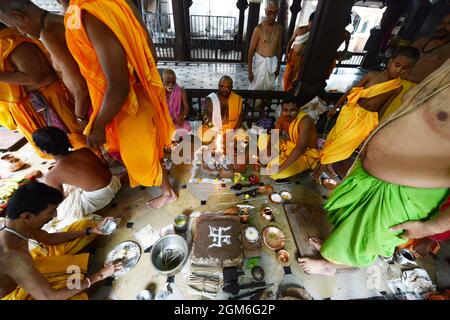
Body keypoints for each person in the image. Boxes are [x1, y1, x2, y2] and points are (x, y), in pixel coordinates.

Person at [297, 58, 450, 275]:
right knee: (349, 224)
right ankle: (332, 250)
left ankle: (329, 266)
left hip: (406, 195)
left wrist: (431, 228)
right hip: (373, 175)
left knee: (365, 240)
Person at [58, 0, 177, 209]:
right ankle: (166, 190)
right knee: (150, 152)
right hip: (138, 93)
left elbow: (119, 86)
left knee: (142, 159)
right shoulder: (118, 3)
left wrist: (99, 125)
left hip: (128, 104)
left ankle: (168, 193)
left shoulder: (86, 13)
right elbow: (149, 52)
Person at [0, 182, 122, 300]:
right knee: (74, 295)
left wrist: (89, 230)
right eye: (50, 212)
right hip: (15, 293)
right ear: (27, 216)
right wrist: (98, 276)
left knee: (83, 225)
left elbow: (49, 239)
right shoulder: (14, 257)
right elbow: (49, 297)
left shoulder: (15, 225)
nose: (54, 215)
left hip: (28, 268)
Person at [315, 47, 420, 182]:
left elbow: (383, 108)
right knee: (334, 139)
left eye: (405, 68)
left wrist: (375, 128)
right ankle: (326, 163)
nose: (399, 70)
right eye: (397, 65)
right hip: (351, 111)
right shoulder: (372, 76)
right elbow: (350, 92)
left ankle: (321, 169)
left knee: (345, 144)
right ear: (390, 62)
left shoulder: (397, 87)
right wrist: (335, 108)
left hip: (367, 120)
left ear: (411, 69)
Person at [0, 0, 92, 128]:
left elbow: (80, 87)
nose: (20, 33)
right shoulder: (63, 19)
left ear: (19, 16)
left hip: (92, 106)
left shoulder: (48, 34)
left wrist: (80, 118)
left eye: (15, 27)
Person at [0, 24, 86, 157]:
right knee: (49, 146)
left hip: (47, 97)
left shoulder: (12, 42)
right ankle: (69, 168)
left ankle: (94, 165)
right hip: (28, 105)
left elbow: (35, 77)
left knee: (75, 138)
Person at [32, 127, 121, 231]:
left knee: (59, 211)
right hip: (114, 182)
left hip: (102, 197)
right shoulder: (85, 151)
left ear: (44, 151)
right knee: (68, 184)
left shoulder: (52, 175)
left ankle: (91, 222)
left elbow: (58, 199)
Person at [260, 100, 318, 180]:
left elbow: (300, 148)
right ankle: (277, 158)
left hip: (305, 153)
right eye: (285, 110)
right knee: (263, 138)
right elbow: (274, 135)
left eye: (292, 110)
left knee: (274, 174)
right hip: (290, 145)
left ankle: (281, 161)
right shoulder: (282, 117)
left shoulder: (305, 121)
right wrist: (268, 152)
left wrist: (280, 168)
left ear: (298, 109)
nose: (288, 113)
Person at [248, 0, 283, 91]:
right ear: (265, 10)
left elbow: (279, 48)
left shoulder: (279, 28)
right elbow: (251, 50)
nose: (272, 15)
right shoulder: (258, 29)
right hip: (259, 64)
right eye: (269, 12)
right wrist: (249, 72)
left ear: (278, 11)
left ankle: (264, 105)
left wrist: (278, 67)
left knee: (269, 88)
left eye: (274, 12)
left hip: (271, 65)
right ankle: (252, 105)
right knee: (255, 88)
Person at [405, 14, 450, 84]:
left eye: (449, 24)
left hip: (418, 91)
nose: (442, 26)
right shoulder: (422, 41)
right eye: (442, 22)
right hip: (397, 82)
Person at [283, 12, 315, 92]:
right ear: (309, 21)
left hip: (302, 58)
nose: (312, 26)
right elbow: (290, 42)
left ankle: (292, 94)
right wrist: (287, 53)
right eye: (312, 23)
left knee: (296, 78)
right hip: (292, 55)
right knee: (287, 76)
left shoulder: (314, 33)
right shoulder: (299, 30)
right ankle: (285, 92)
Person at [162, 69, 191, 137]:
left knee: (186, 128)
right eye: (168, 82)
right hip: (165, 121)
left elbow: (186, 108)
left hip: (177, 120)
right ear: (163, 81)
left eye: (173, 82)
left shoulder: (181, 91)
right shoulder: (160, 92)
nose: (170, 84)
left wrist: (182, 117)